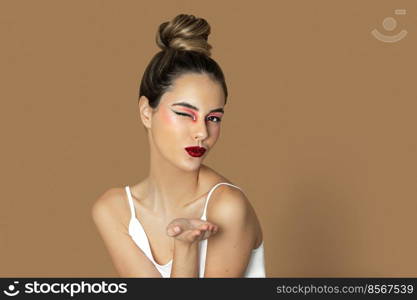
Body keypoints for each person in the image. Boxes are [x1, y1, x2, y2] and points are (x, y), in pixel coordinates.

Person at [91, 14, 265, 278]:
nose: (202, 132)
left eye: (213, 118)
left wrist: (186, 247)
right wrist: (184, 246)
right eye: (185, 114)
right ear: (146, 112)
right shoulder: (114, 210)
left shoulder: (227, 207)